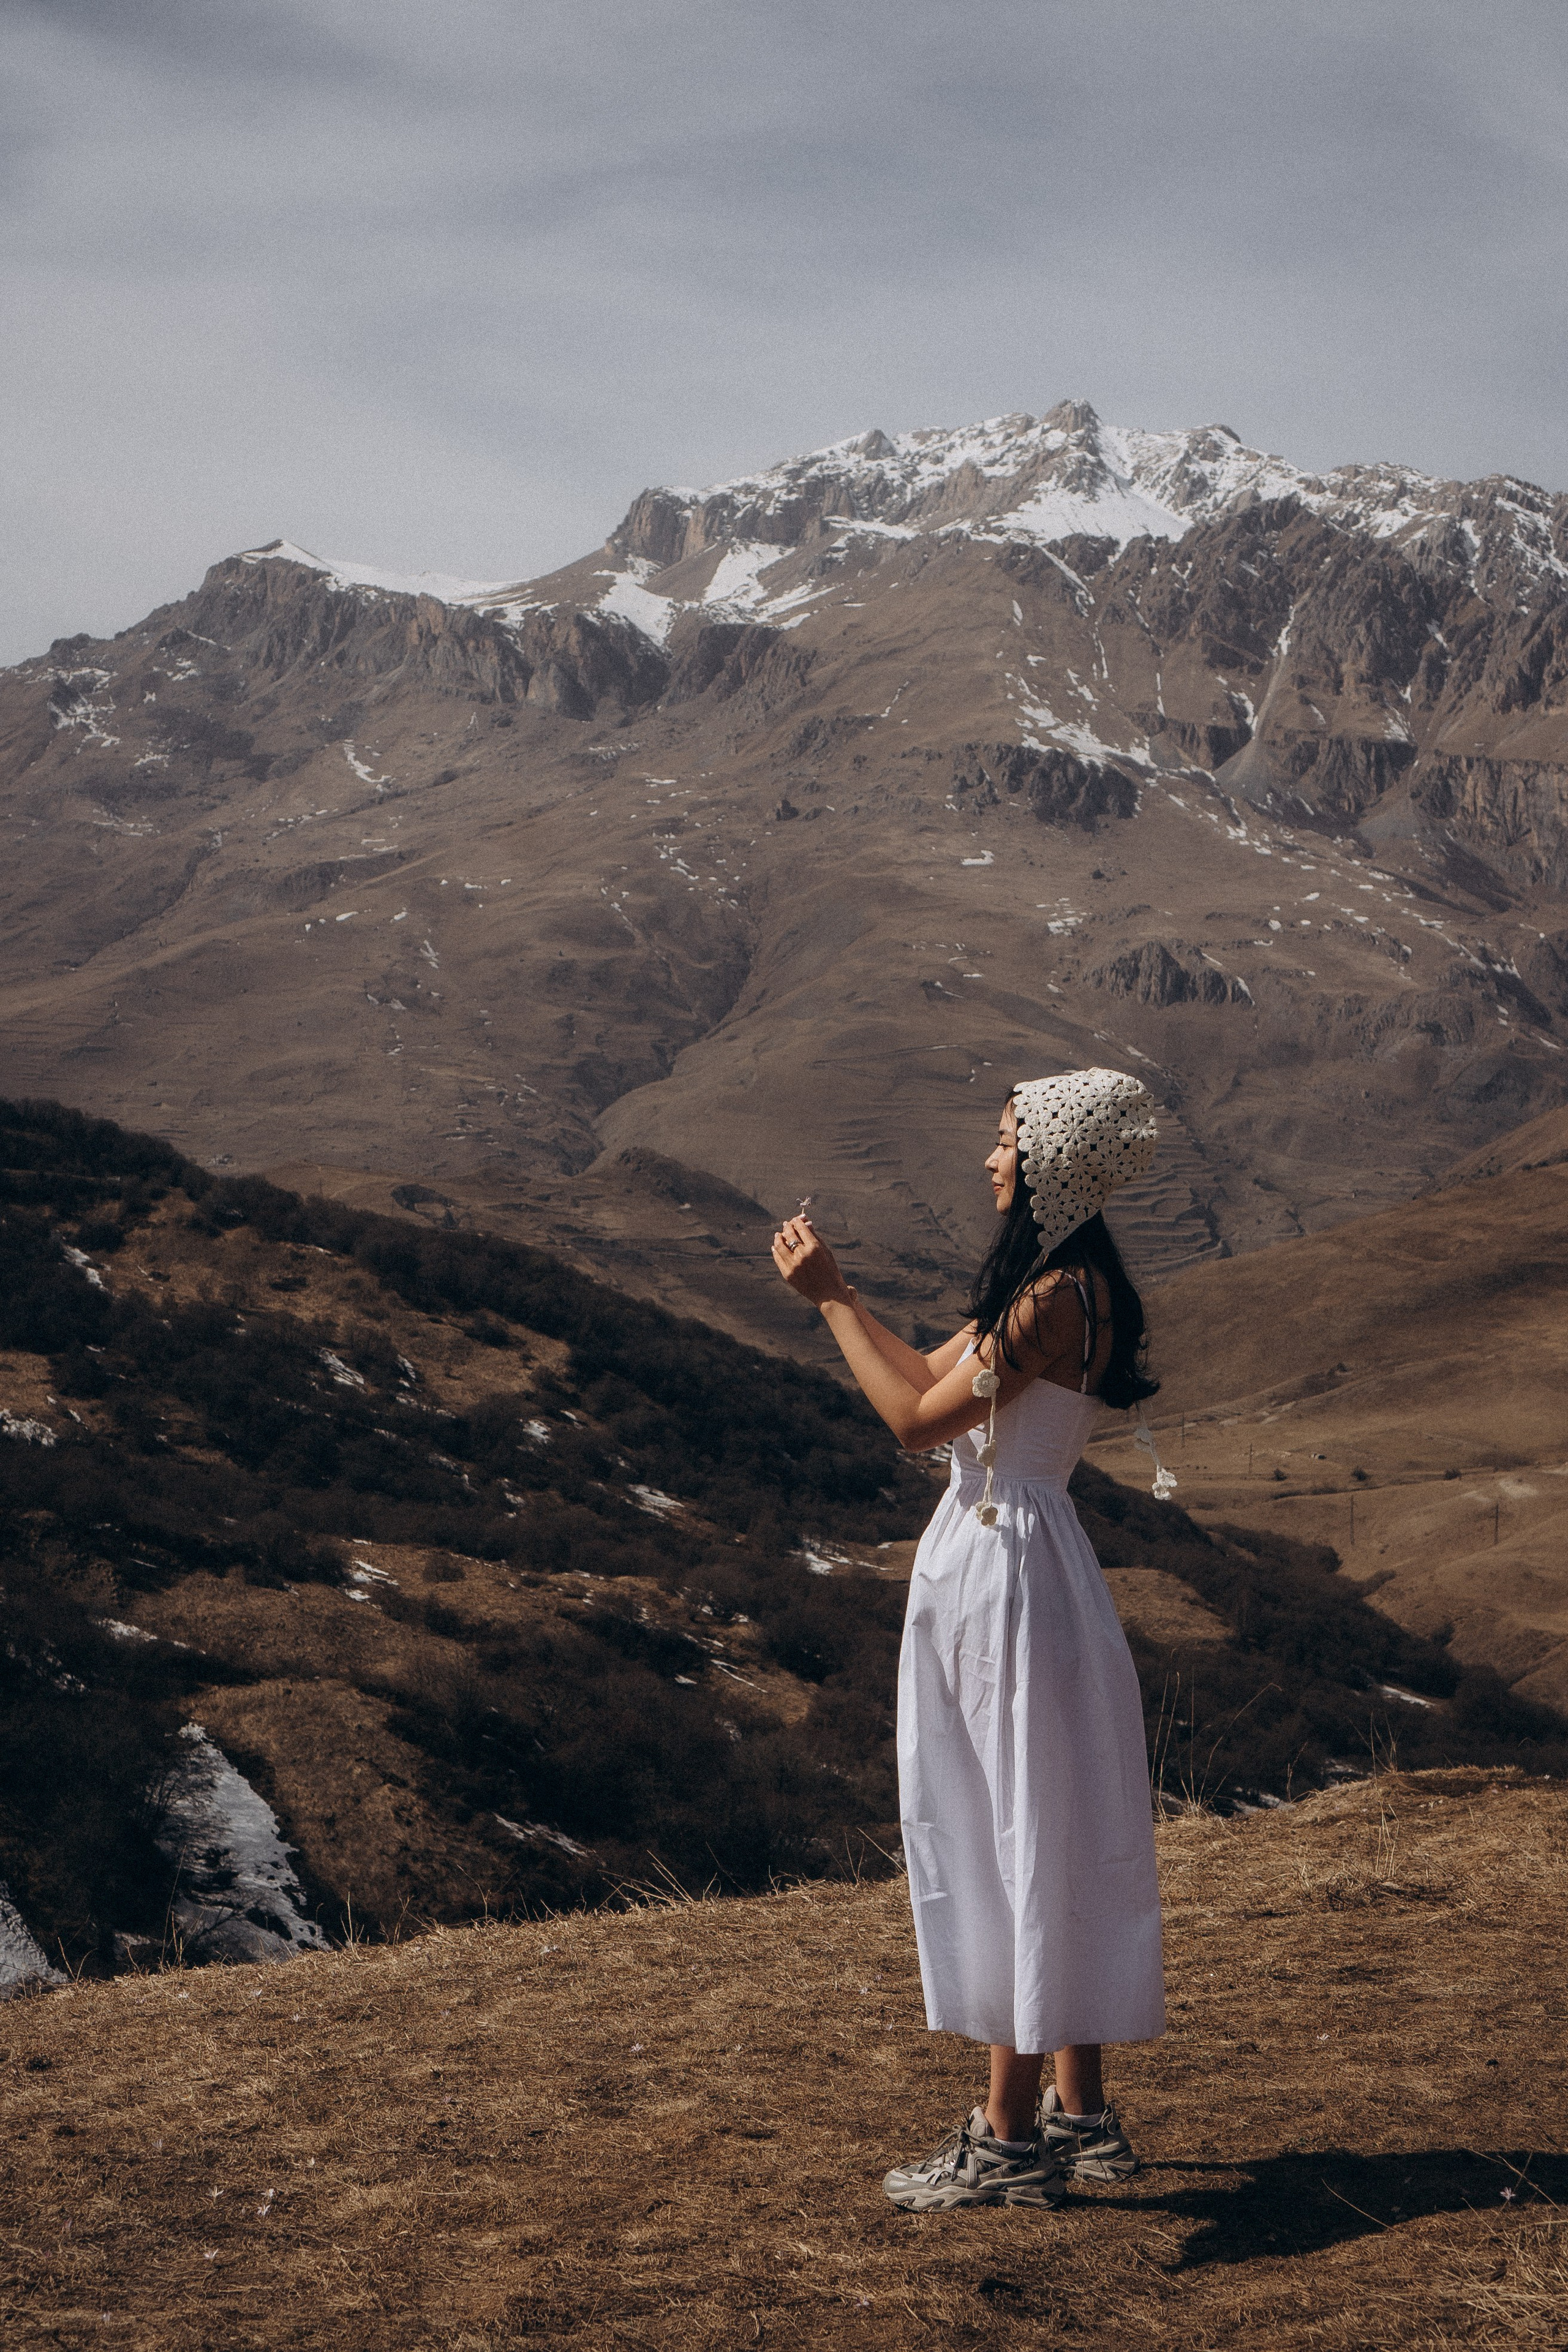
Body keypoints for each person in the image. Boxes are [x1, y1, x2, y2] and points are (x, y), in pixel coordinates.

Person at [771, 1066, 1167, 2212]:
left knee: (1012, 1830)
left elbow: (908, 1424)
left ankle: (1005, 2139)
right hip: (1023, 1561)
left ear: (1051, 1165)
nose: (991, 1160)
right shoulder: (1062, 1287)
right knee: (1046, 1815)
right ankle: (1079, 2113)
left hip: (1006, 1575)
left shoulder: (1050, 1302)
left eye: (1006, 1143)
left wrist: (833, 1299)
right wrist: (842, 1306)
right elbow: (930, 1378)